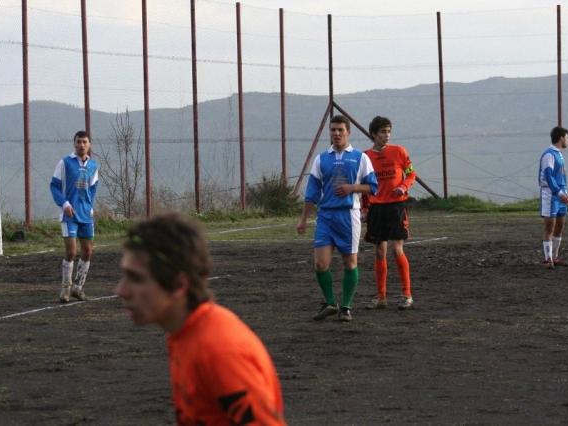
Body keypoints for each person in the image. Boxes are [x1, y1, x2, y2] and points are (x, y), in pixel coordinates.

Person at [115, 213, 285, 425]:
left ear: (178, 285)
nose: (121, 290)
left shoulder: (219, 350)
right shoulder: (185, 332)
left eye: (136, 278)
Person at [296, 115, 378, 322]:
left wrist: (352, 187)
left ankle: (346, 307)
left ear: (348, 132)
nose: (336, 133)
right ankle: (331, 303)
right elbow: (312, 192)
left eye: (340, 130)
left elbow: (373, 187)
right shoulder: (321, 159)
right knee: (320, 264)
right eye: (333, 130)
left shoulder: (360, 158)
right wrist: (303, 219)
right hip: (325, 216)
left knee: (350, 263)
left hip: (348, 216)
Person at [361, 116, 416, 310]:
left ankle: (406, 295)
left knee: (396, 248)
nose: (387, 135)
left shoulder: (399, 151)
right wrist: (364, 208)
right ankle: (381, 297)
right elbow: (364, 185)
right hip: (376, 208)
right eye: (383, 132)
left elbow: (411, 173)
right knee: (379, 251)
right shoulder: (365, 157)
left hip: (396, 207)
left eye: (389, 131)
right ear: (373, 134)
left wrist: (403, 186)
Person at [50, 130, 99, 303]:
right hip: (69, 214)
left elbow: (92, 188)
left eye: (85, 142)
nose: (81, 145)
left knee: (88, 251)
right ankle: (65, 289)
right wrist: (64, 204)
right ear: (74, 144)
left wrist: (90, 207)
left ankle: (78, 288)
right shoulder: (65, 163)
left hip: (86, 214)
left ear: (89, 144)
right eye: (78, 142)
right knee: (71, 251)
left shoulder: (93, 166)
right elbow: (54, 186)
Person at [539, 126, 568, 269]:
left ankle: (555, 257)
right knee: (549, 227)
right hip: (550, 195)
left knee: (560, 225)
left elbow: (561, 175)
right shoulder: (549, 154)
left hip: (560, 193)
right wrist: (559, 193)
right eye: (567, 137)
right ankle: (548, 259)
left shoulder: (559, 154)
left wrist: (565, 191)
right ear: (561, 138)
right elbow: (548, 176)